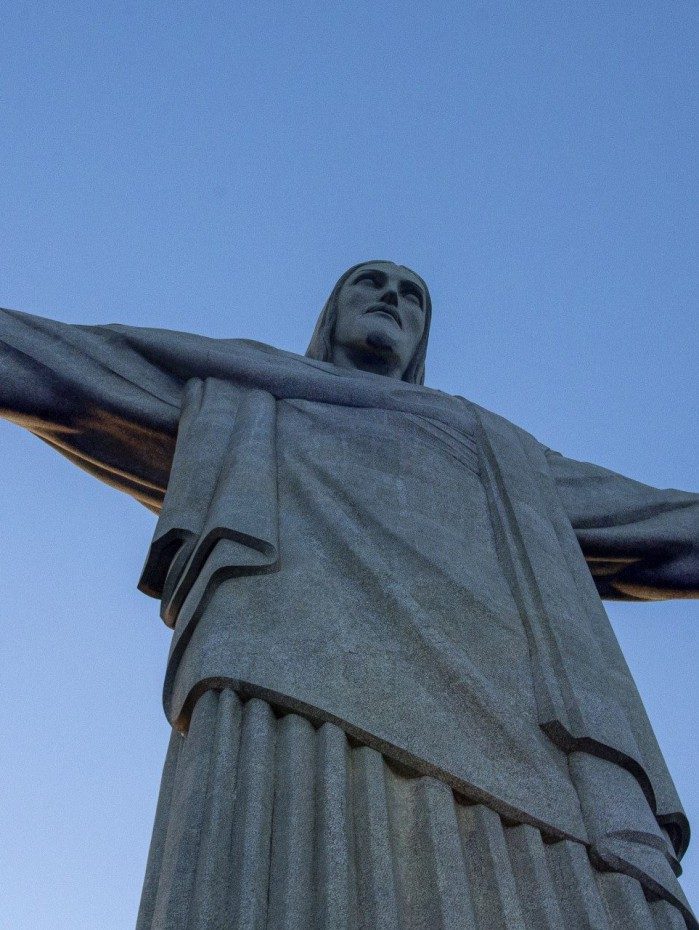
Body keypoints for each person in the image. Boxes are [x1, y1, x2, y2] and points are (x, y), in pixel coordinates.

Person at [1, 261, 697, 929]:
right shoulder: (248, 388)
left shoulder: (493, 449)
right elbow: (59, 368)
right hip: (287, 678)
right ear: (331, 309)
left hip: (522, 727)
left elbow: (664, 529)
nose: (391, 297)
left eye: (412, 294)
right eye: (370, 282)